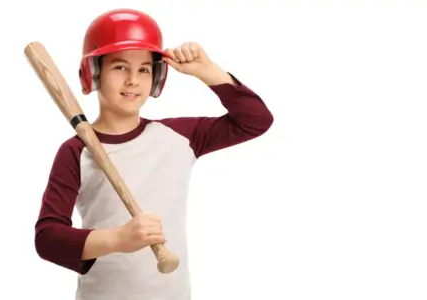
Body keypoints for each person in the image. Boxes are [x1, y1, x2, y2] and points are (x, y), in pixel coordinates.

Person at [34, 8, 274, 300]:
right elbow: (47, 238)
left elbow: (255, 121)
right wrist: (117, 239)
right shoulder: (76, 151)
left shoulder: (179, 137)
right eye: (120, 67)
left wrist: (208, 72)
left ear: (157, 76)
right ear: (94, 72)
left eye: (144, 69)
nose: (133, 79)